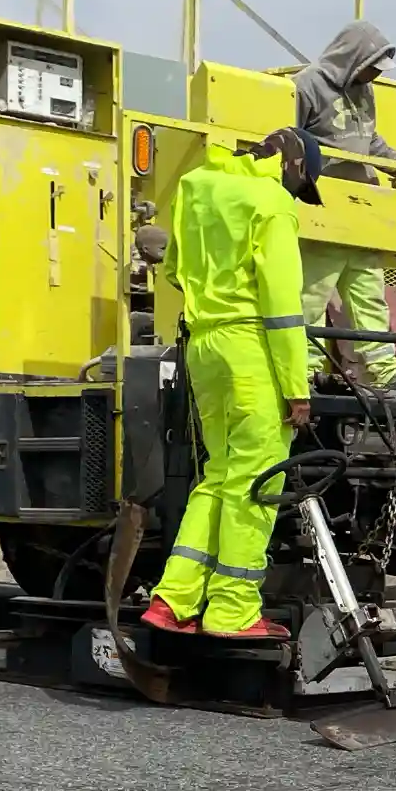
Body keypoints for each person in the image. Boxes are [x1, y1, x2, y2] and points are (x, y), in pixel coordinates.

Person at [141, 131, 314, 640]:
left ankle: (173, 599)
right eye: (301, 183)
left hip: (204, 346)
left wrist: (214, 296)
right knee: (256, 482)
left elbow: (174, 270)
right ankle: (233, 611)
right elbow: (282, 306)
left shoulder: (197, 185)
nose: (296, 191)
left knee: (218, 476)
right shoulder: (273, 204)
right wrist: (297, 387)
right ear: (292, 165)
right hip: (250, 350)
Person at [292, 21, 396, 389]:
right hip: (323, 209)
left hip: (361, 211)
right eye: (372, 66)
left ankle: (386, 372)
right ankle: (305, 371)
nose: (376, 74)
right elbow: (290, 137)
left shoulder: (366, 91)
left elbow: (367, 139)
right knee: (312, 294)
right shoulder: (307, 85)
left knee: (369, 294)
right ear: (354, 58)